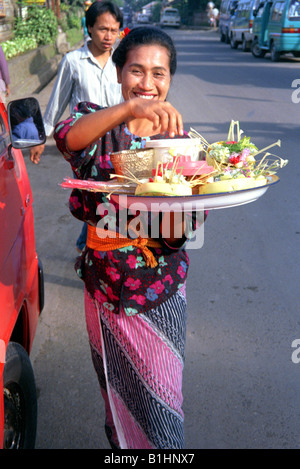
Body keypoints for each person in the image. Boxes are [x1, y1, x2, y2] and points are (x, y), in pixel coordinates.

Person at [54, 26, 201, 450]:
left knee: (162, 406)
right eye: (137, 71)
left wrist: (176, 184)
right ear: (119, 74)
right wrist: (127, 110)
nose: (148, 84)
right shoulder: (97, 123)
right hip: (102, 291)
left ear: (171, 80)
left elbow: (179, 234)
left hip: (159, 293)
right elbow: (67, 138)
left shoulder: (182, 144)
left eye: (159, 74)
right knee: (116, 402)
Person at [30, 1, 123, 252]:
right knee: (94, 197)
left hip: (118, 145)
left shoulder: (123, 61)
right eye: (103, 29)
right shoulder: (73, 61)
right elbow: (57, 102)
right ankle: (89, 246)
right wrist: (42, 137)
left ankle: (92, 246)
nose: (108, 36)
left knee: (112, 198)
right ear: (90, 27)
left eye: (114, 30)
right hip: (85, 148)